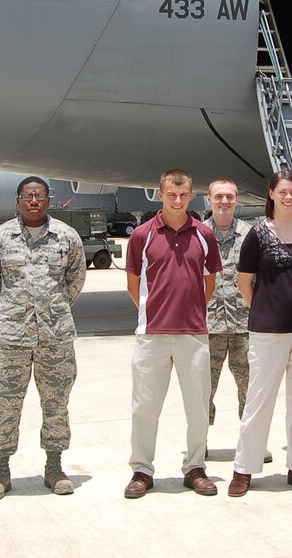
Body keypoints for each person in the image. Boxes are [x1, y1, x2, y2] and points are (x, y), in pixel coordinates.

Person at [0, 176, 87, 501]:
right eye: (28, 196)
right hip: (10, 339)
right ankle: (0, 471)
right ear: (18, 200)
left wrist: (55, 308)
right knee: (4, 405)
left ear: (48, 200)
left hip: (56, 338)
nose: (34, 201)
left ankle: (54, 468)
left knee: (56, 404)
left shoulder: (67, 237)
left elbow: (75, 277)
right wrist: (8, 312)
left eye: (39, 196)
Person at [123, 168, 222, 499]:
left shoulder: (204, 235)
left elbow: (209, 282)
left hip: (193, 333)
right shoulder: (142, 235)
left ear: (191, 195)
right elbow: (133, 284)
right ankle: (142, 470)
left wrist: (190, 309)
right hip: (151, 334)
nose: (177, 201)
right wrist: (154, 312)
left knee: (196, 405)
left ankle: (195, 467)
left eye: (183, 195)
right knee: (144, 406)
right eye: (171, 194)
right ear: (160, 195)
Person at [228, 171, 292, 497]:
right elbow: (244, 281)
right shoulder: (257, 234)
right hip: (267, 332)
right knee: (259, 400)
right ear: (271, 194)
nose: (288, 197)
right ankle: (244, 468)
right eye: (283, 192)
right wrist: (264, 308)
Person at [203, 178, 251, 428]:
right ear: (208, 199)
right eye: (219, 196)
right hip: (208, 327)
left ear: (237, 200)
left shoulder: (250, 235)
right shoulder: (198, 234)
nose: (224, 201)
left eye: (230, 196)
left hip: (244, 326)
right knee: (203, 388)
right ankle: (200, 442)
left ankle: (250, 441)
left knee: (249, 387)